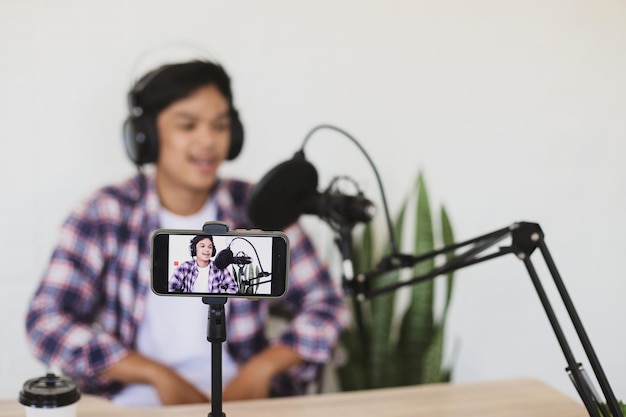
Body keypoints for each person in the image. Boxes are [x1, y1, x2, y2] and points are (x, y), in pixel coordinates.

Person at [25, 60, 350, 407]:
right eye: (188, 125)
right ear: (145, 136)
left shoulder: (258, 208)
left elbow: (327, 304)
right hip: (136, 399)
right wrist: (155, 375)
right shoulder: (104, 213)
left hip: (241, 396)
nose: (208, 140)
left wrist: (263, 368)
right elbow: (46, 319)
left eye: (220, 125)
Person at [169, 235, 239, 294]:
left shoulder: (219, 267)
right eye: (202, 246)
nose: (207, 250)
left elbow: (233, 287)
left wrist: (222, 299)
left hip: (212, 305)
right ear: (194, 249)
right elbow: (171, 287)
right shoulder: (185, 267)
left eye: (210, 247)